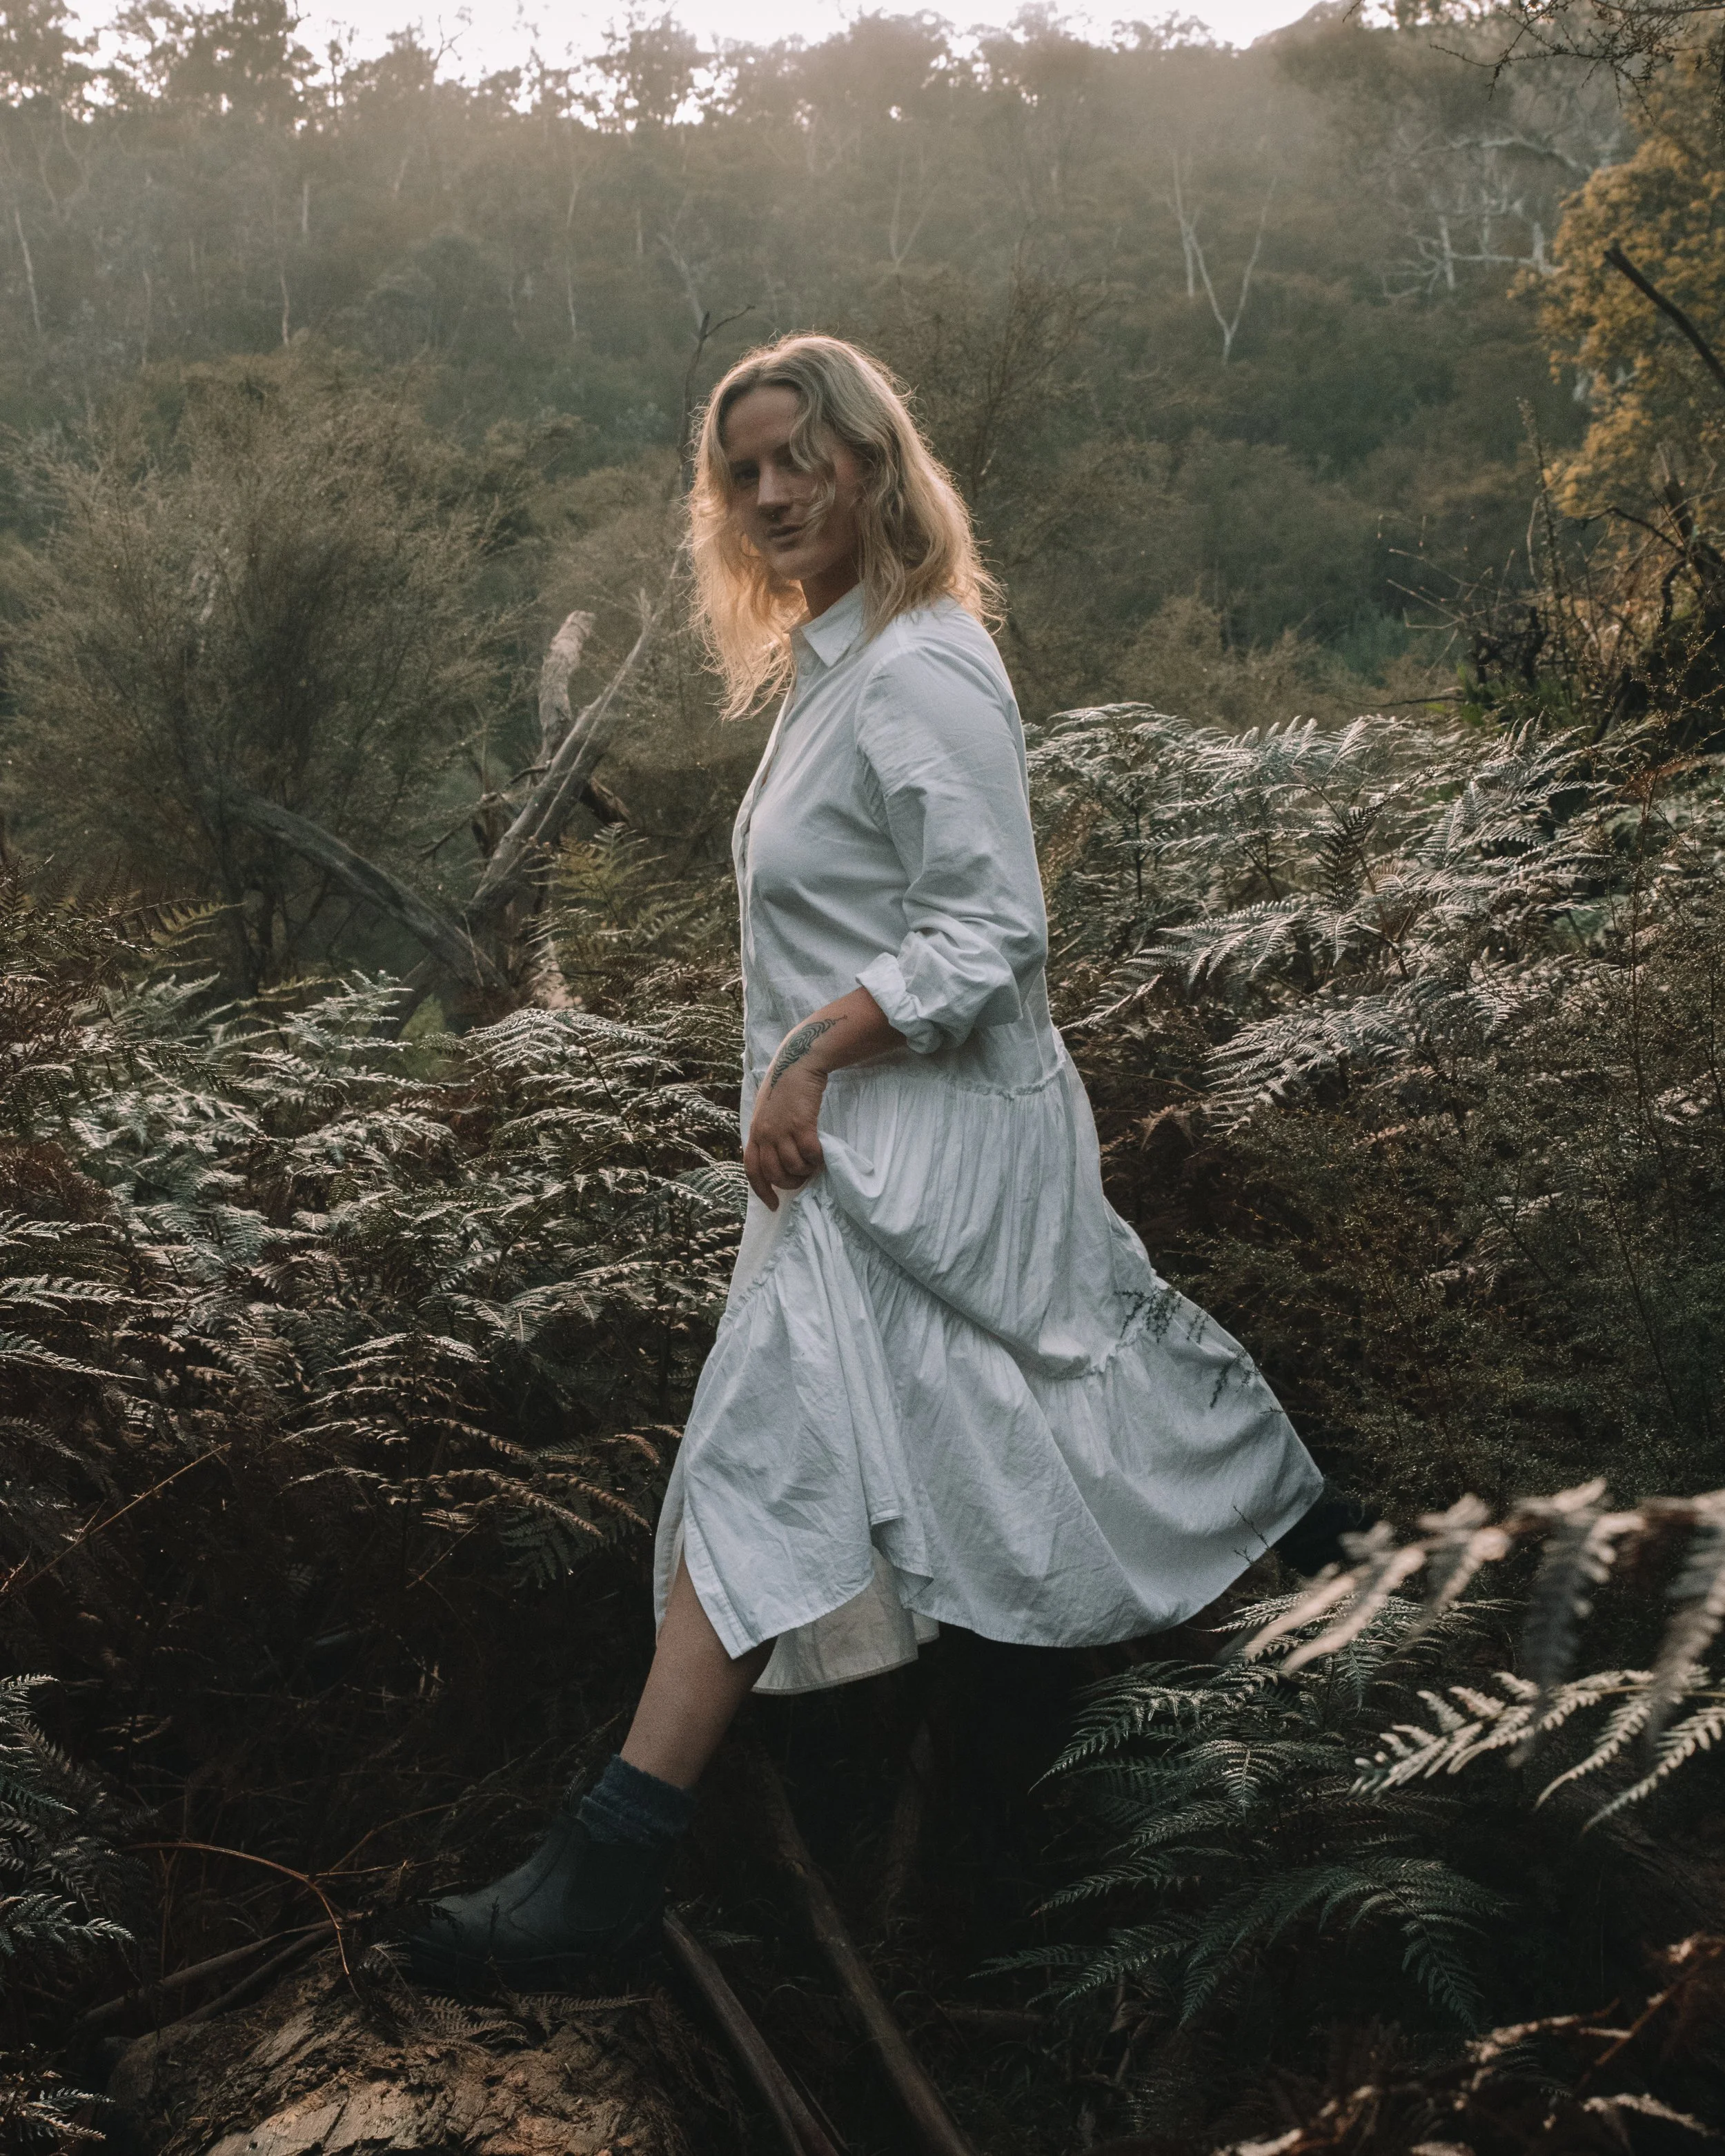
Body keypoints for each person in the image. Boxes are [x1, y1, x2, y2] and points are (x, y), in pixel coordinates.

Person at [402, 335, 1323, 1991]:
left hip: (916, 1152)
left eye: (798, 457)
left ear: (874, 463)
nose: (768, 492)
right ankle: (1321, 1653)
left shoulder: (917, 666)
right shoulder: (834, 670)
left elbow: (993, 932)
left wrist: (817, 1050)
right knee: (1003, 1450)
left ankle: (613, 1867)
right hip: (846, 1161)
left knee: (820, 1468)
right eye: (741, 469)